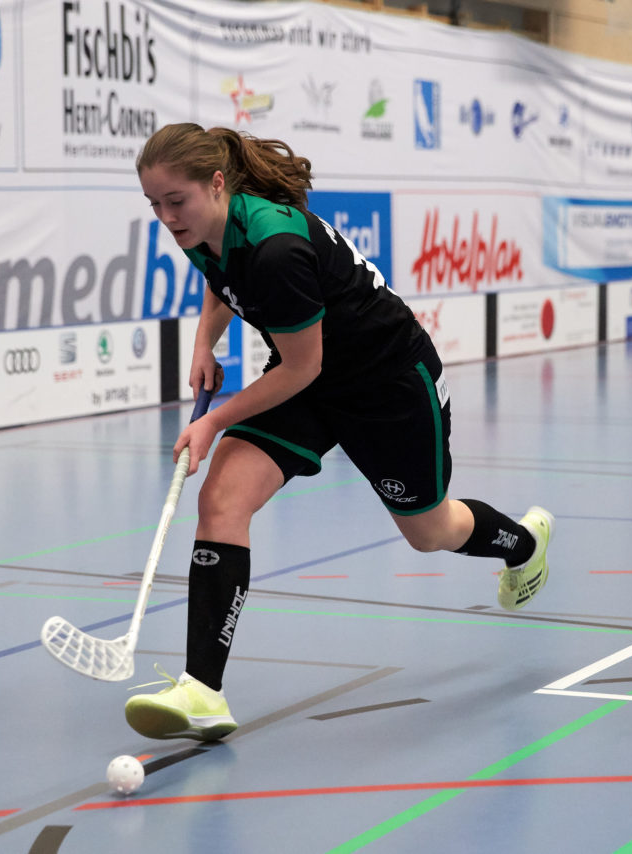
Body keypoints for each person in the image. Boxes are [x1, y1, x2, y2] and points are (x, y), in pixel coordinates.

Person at [124, 123, 554, 740]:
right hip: (312, 381)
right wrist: (203, 341)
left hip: (387, 382)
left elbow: (304, 365)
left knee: (429, 531)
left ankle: (525, 545)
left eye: (176, 202)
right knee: (222, 498)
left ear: (217, 184)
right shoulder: (205, 225)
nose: (167, 218)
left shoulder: (276, 246)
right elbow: (222, 279)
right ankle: (202, 691)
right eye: (155, 205)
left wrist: (216, 419)